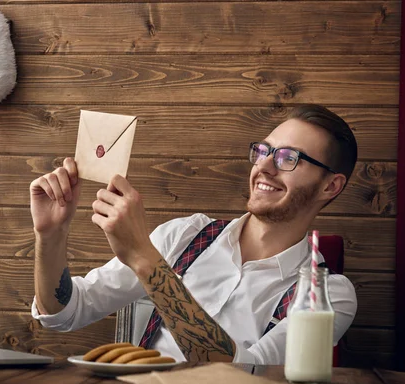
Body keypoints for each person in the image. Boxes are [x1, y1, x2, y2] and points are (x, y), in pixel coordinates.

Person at [29, 104, 358, 365]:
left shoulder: (326, 296)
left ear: (330, 186)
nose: (265, 167)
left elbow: (244, 377)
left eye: (289, 158)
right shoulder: (185, 236)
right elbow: (63, 314)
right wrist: (51, 235)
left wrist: (143, 257)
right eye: (264, 151)